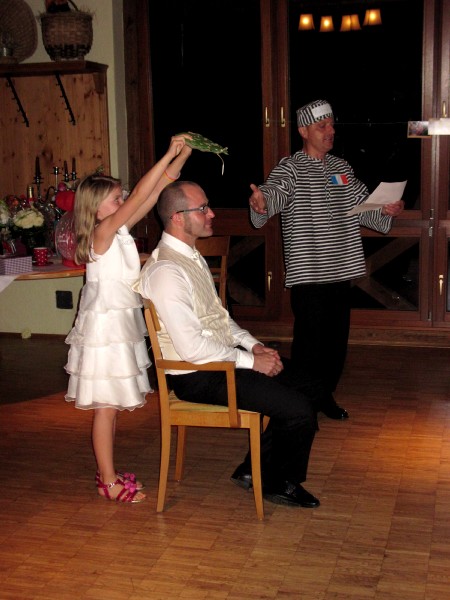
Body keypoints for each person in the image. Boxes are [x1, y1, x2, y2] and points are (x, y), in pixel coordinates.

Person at [135, 180, 325, 508]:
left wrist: (253, 346)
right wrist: (251, 362)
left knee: (310, 384)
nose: (211, 214)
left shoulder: (190, 256)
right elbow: (192, 349)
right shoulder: (166, 271)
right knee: (299, 410)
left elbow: (219, 319)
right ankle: (278, 481)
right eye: (202, 209)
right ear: (178, 218)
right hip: (195, 375)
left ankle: (254, 469)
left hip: (218, 361)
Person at [249, 99, 405, 421]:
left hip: (341, 270)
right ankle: (301, 402)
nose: (330, 131)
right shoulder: (290, 168)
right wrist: (262, 202)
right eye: (322, 126)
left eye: (332, 124)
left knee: (336, 343)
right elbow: (275, 192)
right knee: (310, 346)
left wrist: (387, 208)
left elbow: (364, 206)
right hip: (309, 275)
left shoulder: (341, 169)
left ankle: (325, 396)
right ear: (303, 131)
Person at [64, 135, 192, 503]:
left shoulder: (116, 230)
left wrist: (183, 156)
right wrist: (167, 152)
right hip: (105, 330)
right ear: (96, 209)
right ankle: (107, 481)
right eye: (115, 199)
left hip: (118, 326)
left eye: (121, 198)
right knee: (106, 409)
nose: (123, 203)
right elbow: (139, 196)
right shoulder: (102, 233)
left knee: (112, 407)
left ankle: (107, 472)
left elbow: (154, 192)